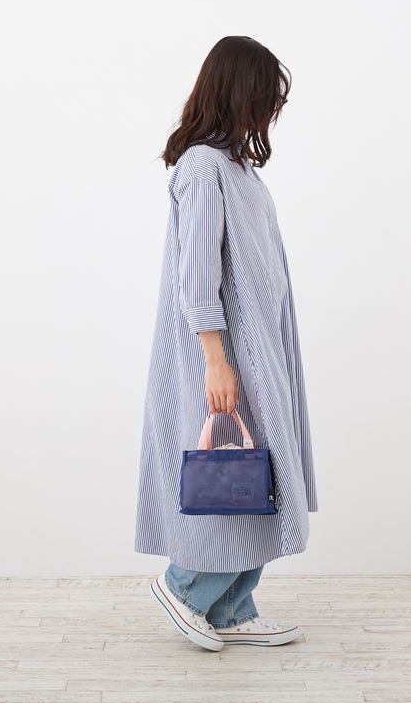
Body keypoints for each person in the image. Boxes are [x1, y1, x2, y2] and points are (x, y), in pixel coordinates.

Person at [134, 36, 318, 651]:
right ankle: (185, 588)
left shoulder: (240, 171)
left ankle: (232, 609)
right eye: (267, 95)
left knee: (258, 478)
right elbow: (198, 275)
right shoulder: (202, 167)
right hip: (220, 353)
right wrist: (216, 360)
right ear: (241, 91)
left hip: (259, 352)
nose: (273, 108)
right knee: (227, 476)